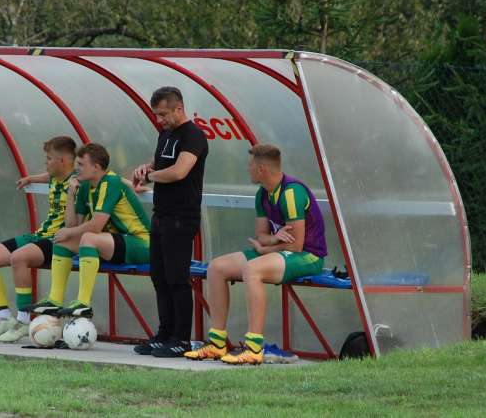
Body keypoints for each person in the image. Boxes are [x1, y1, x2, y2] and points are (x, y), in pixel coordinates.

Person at [184, 144, 327, 364]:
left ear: (262, 169)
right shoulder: (263, 193)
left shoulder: (291, 192)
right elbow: (261, 235)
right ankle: (217, 344)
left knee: (252, 269)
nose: (247, 169)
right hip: (280, 251)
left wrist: (266, 249)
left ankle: (253, 347)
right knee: (217, 267)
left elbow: (296, 246)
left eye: (250, 165)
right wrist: (273, 239)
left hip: (308, 256)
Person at [23, 143, 150, 318]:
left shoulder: (110, 182)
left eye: (81, 165)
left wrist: (69, 232)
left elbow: (96, 225)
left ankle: (83, 303)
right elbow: (71, 226)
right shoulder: (85, 185)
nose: (77, 168)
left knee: (89, 237)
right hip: (115, 242)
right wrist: (70, 195)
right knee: (64, 241)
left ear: (96, 167)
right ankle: (54, 300)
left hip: (142, 243)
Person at [0, 136, 77, 342]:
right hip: (40, 235)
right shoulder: (57, 176)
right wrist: (30, 179)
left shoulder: (77, 181)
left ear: (63, 161)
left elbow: (109, 179)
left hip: (59, 241)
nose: (45, 163)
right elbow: (49, 177)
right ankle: (4, 317)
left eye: (49, 159)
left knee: (19, 258)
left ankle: (23, 320)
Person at [131, 86, 208, 358]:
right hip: (161, 215)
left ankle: (181, 339)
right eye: (156, 115)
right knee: (159, 277)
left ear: (179, 108)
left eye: (163, 114)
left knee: (177, 279)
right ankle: (163, 333)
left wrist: (152, 177)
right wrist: (146, 168)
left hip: (181, 217)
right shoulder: (166, 134)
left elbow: (179, 171)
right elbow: (160, 163)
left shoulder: (194, 136)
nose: (160, 120)